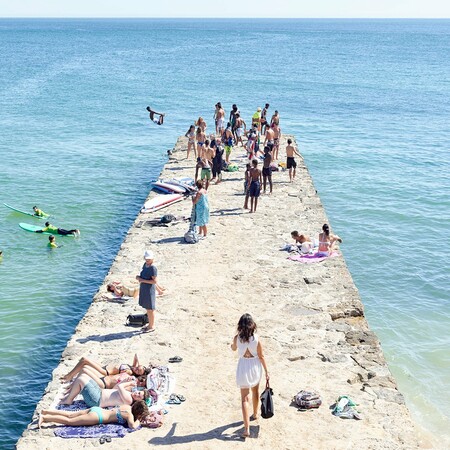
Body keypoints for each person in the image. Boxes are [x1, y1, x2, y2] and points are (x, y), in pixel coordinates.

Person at [231, 314, 269, 439]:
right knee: (255, 391)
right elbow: (261, 356)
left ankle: (246, 429)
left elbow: (233, 348)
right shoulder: (256, 339)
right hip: (254, 367)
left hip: (243, 367)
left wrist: (232, 345)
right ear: (252, 325)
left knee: (244, 399)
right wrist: (267, 371)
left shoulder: (237, 338)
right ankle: (255, 414)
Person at [38, 402, 144, 429]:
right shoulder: (129, 415)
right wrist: (138, 420)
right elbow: (132, 426)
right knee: (69, 422)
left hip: (97, 409)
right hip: (98, 417)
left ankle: (46, 411)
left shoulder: (127, 406)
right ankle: (45, 418)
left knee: (70, 415)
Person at [61, 374, 148, 407]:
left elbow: (121, 387)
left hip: (96, 400)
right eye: (139, 393)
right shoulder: (129, 394)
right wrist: (125, 381)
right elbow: (115, 388)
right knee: (84, 376)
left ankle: (69, 400)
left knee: (81, 380)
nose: (136, 394)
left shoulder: (129, 400)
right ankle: (70, 396)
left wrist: (129, 384)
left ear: (138, 401)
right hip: (99, 392)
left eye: (138, 396)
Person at [60, 354, 147, 383]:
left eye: (138, 371)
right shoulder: (133, 367)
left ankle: (69, 376)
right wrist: (139, 366)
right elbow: (136, 355)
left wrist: (139, 370)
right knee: (85, 362)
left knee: (84, 360)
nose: (137, 369)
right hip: (104, 367)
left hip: (105, 371)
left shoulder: (129, 372)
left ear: (138, 375)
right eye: (139, 368)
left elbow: (120, 376)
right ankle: (70, 375)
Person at [137, 250, 158, 333]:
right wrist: (139, 278)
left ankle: (151, 326)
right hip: (144, 289)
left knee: (150, 309)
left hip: (149, 290)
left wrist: (141, 280)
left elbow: (154, 281)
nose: (147, 260)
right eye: (146, 259)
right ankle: (150, 324)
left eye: (149, 259)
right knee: (147, 308)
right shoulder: (145, 265)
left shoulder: (153, 268)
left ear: (152, 259)